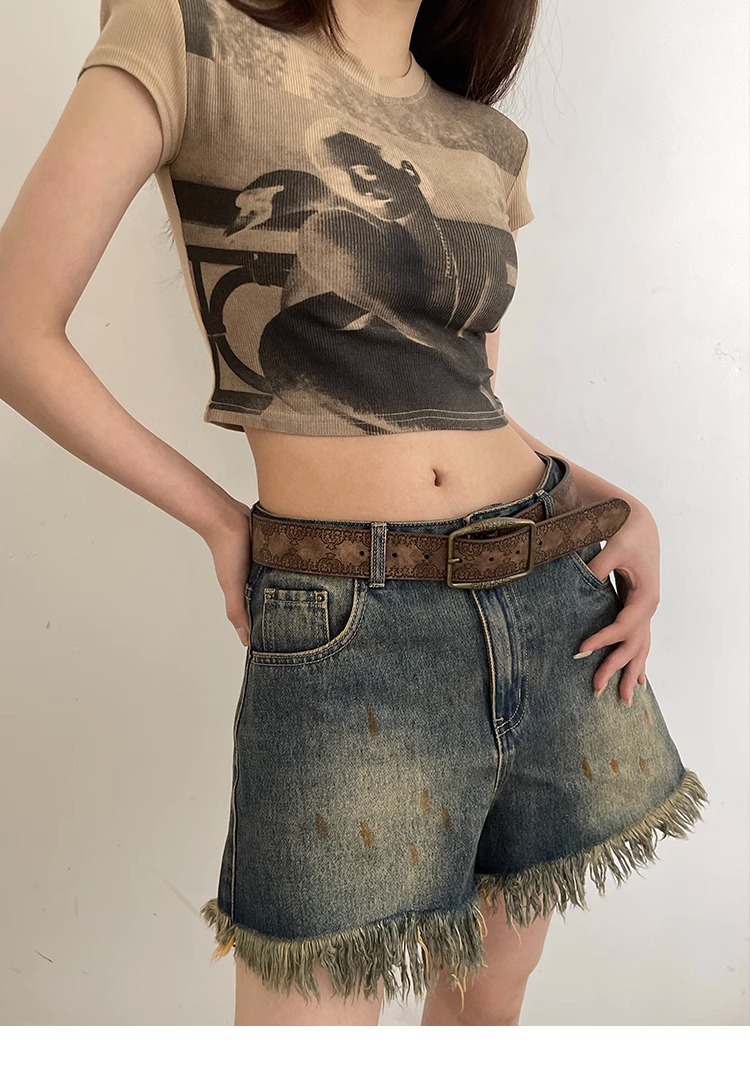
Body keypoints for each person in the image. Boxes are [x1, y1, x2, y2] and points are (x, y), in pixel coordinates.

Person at [0, 0, 707, 1027]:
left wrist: (611, 503)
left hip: (547, 602)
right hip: (350, 626)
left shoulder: (486, 139)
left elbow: (466, 401)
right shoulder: (186, 36)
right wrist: (218, 519)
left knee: (486, 1013)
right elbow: (16, 328)